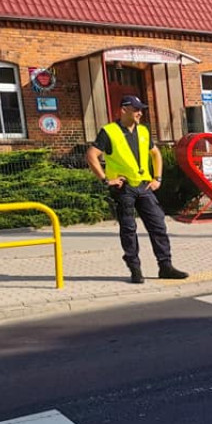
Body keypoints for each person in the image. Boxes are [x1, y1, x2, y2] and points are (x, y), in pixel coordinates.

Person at [86, 95, 189, 284]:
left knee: (158, 225)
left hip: (144, 186)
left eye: (141, 109)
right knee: (129, 229)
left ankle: (165, 266)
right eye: (136, 109)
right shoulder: (109, 132)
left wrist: (157, 178)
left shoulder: (143, 131)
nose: (140, 113)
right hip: (124, 188)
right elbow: (92, 155)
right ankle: (135, 268)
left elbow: (155, 153)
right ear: (123, 110)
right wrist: (105, 180)